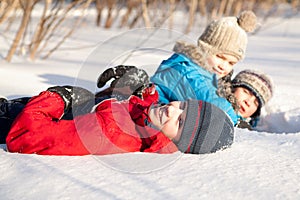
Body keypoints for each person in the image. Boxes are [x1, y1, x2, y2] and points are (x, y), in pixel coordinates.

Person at [5, 85, 234, 155]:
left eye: (180, 122)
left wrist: (58, 97)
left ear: (180, 143)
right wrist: (141, 89)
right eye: (182, 105)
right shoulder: (150, 127)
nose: (171, 110)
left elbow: (24, 136)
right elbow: (141, 110)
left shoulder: (107, 132)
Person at [150, 10, 257, 125]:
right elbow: (212, 103)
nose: (223, 66)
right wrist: (236, 120)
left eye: (231, 63)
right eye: (220, 57)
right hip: (152, 117)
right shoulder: (187, 70)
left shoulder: (209, 75)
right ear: (205, 49)